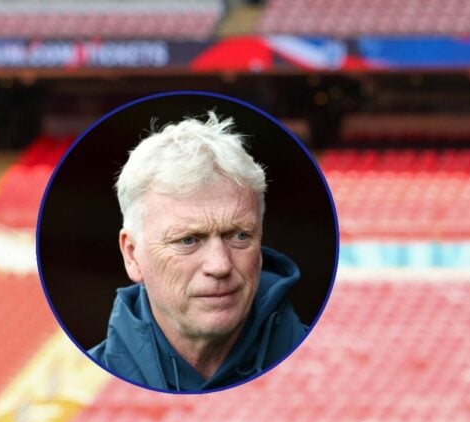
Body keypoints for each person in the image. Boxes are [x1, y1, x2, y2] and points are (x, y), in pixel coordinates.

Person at [89, 112, 308, 392]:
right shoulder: (79, 394)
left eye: (240, 236)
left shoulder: (327, 372)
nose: (220, 265)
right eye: (188, 240)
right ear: (132, 254)